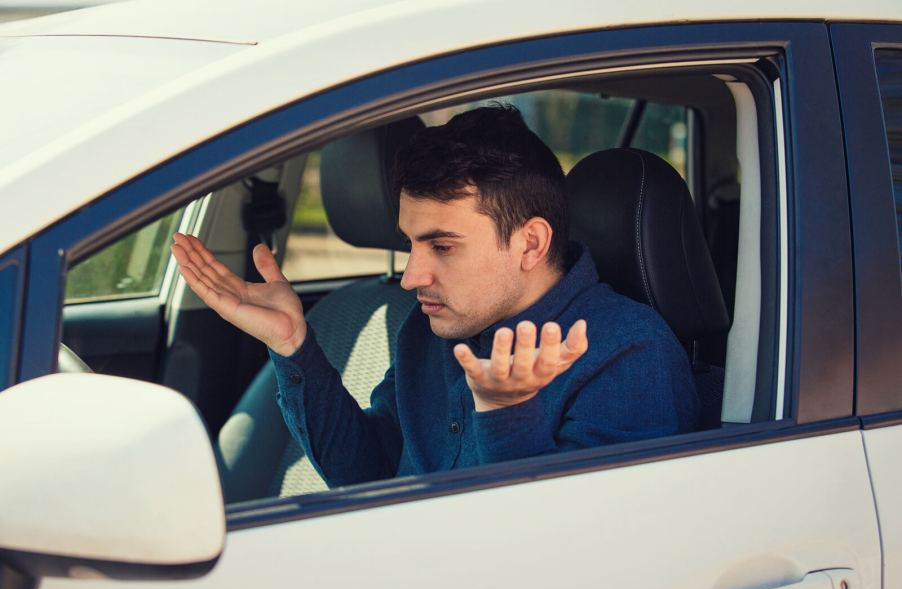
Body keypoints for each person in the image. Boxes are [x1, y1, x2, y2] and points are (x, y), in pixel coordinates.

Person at [171, 105, 699, 488]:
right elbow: (368, 477)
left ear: (530, 243)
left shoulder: (629, 354)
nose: (411, 277)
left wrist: (506, 414)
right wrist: (293, 346)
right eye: (410, 244)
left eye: (442, 246)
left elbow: (560, 562)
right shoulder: (432, 331)